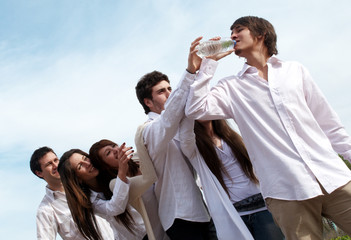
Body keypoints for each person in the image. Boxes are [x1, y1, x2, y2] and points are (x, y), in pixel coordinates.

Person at [185, 16, 351, 240]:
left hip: (334, 178)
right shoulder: (231, 87)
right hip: (286, 194)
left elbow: (329, 124)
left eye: (239, 30)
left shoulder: (295, 70)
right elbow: (196, 110)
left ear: (261, 34)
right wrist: (206, 67)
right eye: (231, 32)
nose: (232, 36)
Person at [134, 48, 217, 240]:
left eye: (170, 88)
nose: (169, 93)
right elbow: (170, 118)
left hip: (205, 210)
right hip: (179, 215)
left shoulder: (181, 122)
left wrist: (208, 65)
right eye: (162, 91)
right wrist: (189, 73)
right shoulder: (148, 130)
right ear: (148, 101)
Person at [181, 119, 284, 239]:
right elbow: (185, 132)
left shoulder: (231, 136)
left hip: (262, 208)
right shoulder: (194, 148)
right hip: (234, 215)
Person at [58, 146, 147, 240]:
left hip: (152, 225)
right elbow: (115, 208)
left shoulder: (109, 172)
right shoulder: (89, 201)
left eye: (85, 158)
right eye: (80, 166)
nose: (87, 163)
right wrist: (122, 173)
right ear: (77, 179)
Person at [89, 139, 169, 240]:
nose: (115, 150)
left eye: (113, 146)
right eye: (108, 152)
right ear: (105, 166)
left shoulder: (139, 160)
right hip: (153, 235)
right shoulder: (116, 185)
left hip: (169, 222)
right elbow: (149, 178)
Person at [30, 146, 114, 240]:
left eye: (56, 160)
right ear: (39, 173)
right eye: (49, 164)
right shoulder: (46, 210)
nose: (56, 166)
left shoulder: (84, 183)